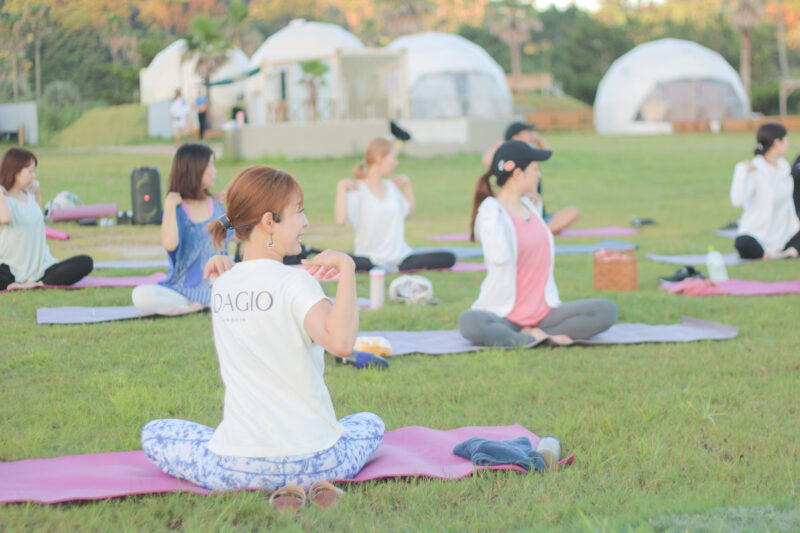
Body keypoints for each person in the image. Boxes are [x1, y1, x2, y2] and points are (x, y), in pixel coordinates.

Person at [140, 165, 384, 493]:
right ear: (269, 222)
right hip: (318, 462)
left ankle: (273, 483)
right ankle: (304, 485)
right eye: (298, 212)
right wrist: (348, 270)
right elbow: (341, 343)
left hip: (237, 468)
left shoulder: (222, 282)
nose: (306, 222)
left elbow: (252, 287)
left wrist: (227, 267)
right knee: (370, 422)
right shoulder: (297, 282)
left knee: (155, 432)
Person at [459, 140, 617, 347]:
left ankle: (534, 335)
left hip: (544, 313)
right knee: (470, 322)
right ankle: (536, 338)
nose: (539, 175)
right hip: (504, 315)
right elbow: (499, 257)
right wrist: (490, 209)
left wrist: (536, 204)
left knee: (606, 310)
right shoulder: (492, 213)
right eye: (535, 169)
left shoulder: (531, 206)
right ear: (517, 174)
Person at [131, 144, 228, 315]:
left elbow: (239, 234)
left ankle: (197, 307)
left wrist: (235, 199)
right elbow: (170, 244)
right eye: (210, 166)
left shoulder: (218, 207)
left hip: (218, 288)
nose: (215, 171)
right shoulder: (177, 209)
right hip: (182, 292)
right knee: (140, 295)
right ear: (195, 170)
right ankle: (190, 309)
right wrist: (169, 206)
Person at [334, 137, 455, 271]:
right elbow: (341, 220)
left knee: (449, 257)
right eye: (393, 158)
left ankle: (394, 267)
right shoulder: (359, 190)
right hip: (369, 258)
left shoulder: (391, 187)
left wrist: (407, 185)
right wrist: (341, 188)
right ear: (380, 158)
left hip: (401, 257)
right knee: (346, 261)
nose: (396, 163)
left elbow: (409, 213)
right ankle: (385, 267)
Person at [0, 147, 93, 291]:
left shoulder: (29, 197)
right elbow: (5, 219)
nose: (33, 176)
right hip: (10, 270)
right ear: (15, 172)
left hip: (41, 269)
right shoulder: (3, 200)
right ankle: (17, 283)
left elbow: (37, 219)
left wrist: (37, 192)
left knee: (86, 262)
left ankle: (39, 284)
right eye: (29, 171)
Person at [482, 121, 579, 235]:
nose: (538, 175)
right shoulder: (511, 159)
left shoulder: (528, 154)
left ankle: (540, 230)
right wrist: (498, 145)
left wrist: (539, 140)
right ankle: (540, 232)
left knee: (573, 212)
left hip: (537, 212)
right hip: (523, 213)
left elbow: (547, 153)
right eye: (527, 132)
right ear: (516, 137)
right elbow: (487, 161)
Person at [730, 123, 800, 260]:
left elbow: (790, 206)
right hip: (757, 236)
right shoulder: (755, 169)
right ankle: (774, 255)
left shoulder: (784, 169)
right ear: (777, 142)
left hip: (782, 237)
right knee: (743, 243)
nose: (787, 143)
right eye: (786, 140)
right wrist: (741, 171)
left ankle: (782, 252)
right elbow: (737, 200)